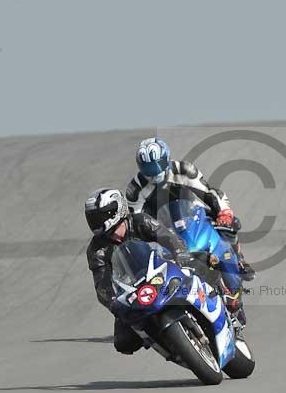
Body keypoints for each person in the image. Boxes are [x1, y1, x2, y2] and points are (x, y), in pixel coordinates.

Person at [126, 137, 255, 284]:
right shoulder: (135, 190)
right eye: (148, 168)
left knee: (231, 223)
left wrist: (223, 213)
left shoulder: (184, 170)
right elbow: (136, 222)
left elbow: (209, 193)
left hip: (194, 215)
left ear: (166, 158)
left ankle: (239, 259)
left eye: (157, 165)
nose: (154, 172)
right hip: (163, 229)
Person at [85, 187, 196, 354]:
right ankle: (166, 343)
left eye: (100, 216)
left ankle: (227, 298)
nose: (96, 222)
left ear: (116, 210)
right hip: (132, 293)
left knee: (204, 260)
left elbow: (168, 237)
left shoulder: (140, 221)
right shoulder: (97, 250)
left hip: (163, 271)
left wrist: (180, 253)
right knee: (123, 343)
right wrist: (113, 303)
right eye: (92, 218)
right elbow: (102, 283)